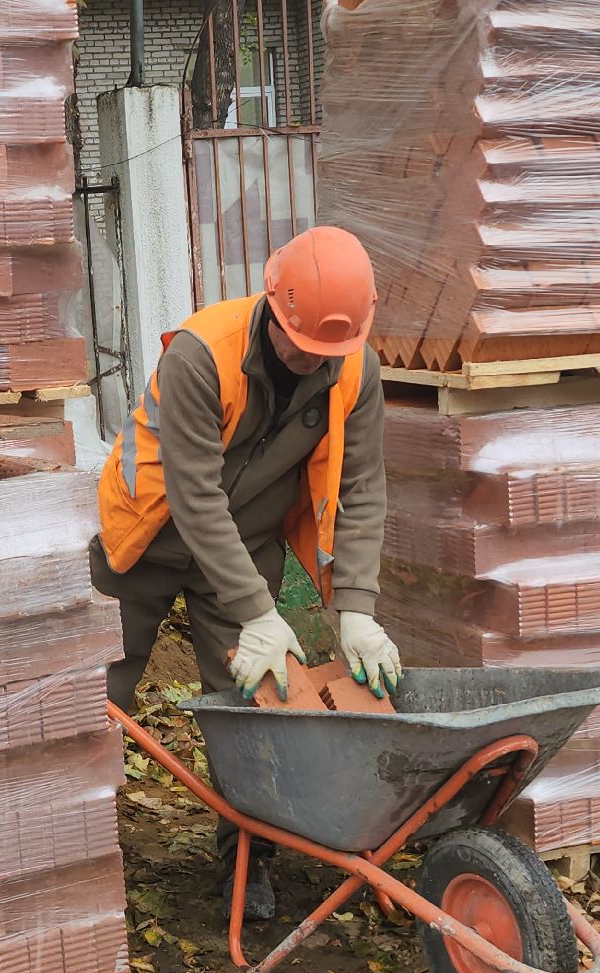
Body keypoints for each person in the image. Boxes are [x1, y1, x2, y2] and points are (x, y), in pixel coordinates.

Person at [92, 225, 403, 919]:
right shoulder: (204, 353)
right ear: (272, 299)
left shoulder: (356, 371)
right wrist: (262, 613)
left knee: (254, 706)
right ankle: (76, 853)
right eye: (300, 342)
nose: (308, 359)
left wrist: (356, 606)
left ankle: (245, 862)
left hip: (250, 541)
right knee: (98, 695)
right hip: (148, 536)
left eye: (328, 350)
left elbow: (363, 489)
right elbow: (195, 496)